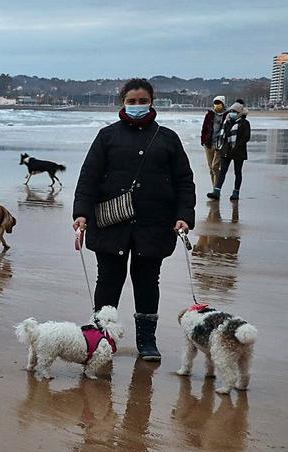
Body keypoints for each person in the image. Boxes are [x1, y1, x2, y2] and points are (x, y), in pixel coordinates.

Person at [72, 77, 195, 362]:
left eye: (142, 101)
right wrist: (81, 213)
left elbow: (184, 181)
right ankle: (100, 336)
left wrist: (184, 216)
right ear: (122, 103)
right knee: (108, 281)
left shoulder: (167, 138)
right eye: (131, 101)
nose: (137, 106)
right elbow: (88, 177)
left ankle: (146, 340)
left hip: (154, 224)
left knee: (148, 281)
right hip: (111, 223)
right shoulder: (107, 136)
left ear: (152, 102)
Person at [208, 100, 250, 202]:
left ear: (240, 112)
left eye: (234, 111)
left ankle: (236, 192)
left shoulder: (244, 123)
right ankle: (217, 191)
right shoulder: (227, 122)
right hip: (226, 151)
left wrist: (235, 147)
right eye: (231, 111)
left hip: (239, 152)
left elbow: (246, 137)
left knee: (237, 172)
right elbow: (223, 136)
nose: (232, 113)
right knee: (223, 171)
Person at [200, 95, 226, 188]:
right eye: (215, 103)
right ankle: (214, 187)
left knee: (215, 167)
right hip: (208, 144)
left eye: (219, 103)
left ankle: (216, 189)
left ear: (223, 104)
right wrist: (203, 140)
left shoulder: (226, 116)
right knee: (211, 168)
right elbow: (204, 129)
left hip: (219, 145)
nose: (217, 105)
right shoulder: (209, 115)